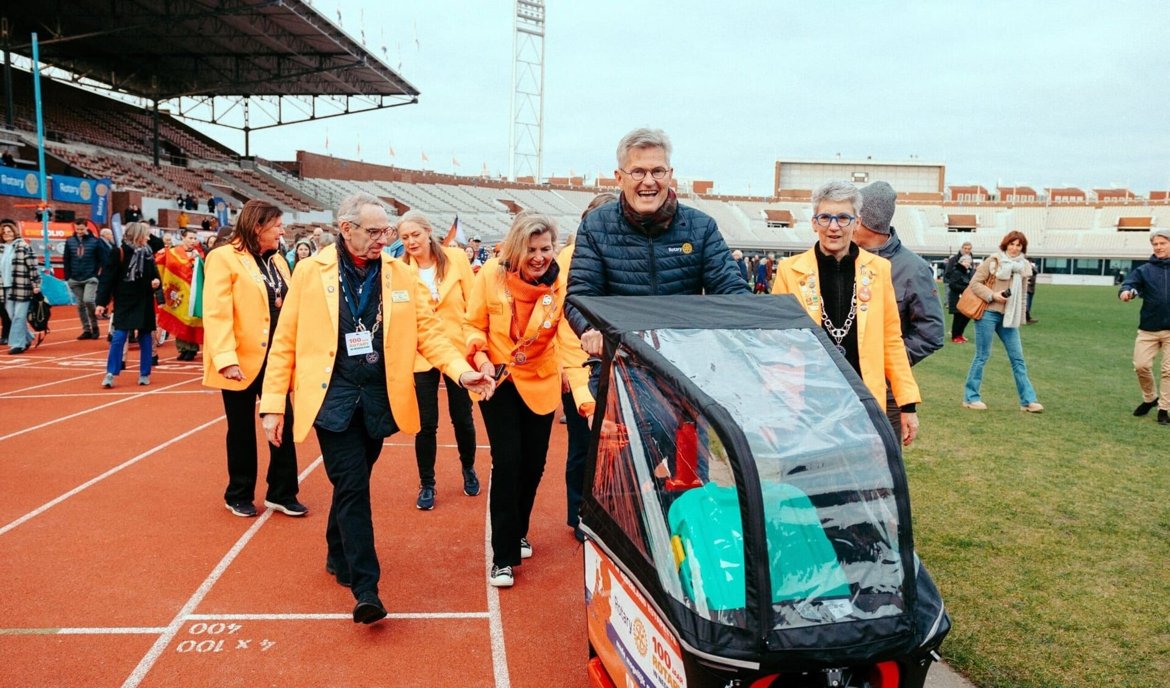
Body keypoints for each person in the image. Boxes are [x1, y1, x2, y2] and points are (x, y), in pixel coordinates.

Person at [258, 192, 493, 624]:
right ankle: (367, 588)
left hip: (379, 400)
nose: (384, 239)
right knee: (353, 485)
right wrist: (272, 405)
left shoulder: (400, 274)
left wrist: (462, 373)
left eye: (386, 231)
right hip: (332, 399)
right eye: (374, 231)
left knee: (353, 481)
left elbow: (431, 334)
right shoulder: (310, 272)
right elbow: (285, 341)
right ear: (346, 229)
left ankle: (337, 550)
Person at [465, 211, 593, 588]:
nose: (539, 257)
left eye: (546, 249)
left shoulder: (561, 284)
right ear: (516, 248)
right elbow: (473, 324)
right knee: (508, 461)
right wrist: (480, 357)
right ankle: (502, 557)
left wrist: (583, 396)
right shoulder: (490, 275)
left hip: (541, 378)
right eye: (531, 249)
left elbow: (568, 341)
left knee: (534, 464)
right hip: (499, 380)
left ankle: (518, 529)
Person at [566, 128, 748, 353]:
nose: (649, 181)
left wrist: (750, 322)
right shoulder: (595, 227)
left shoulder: (701, 227)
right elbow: (582, 294)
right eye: (638, 172)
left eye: (657, 171)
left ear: (669, 175)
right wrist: (590, 329)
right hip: (620, 357)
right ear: (619, 178)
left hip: (687, 359)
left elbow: (730, 288)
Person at [771, 180, 922, 446]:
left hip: (863, 401)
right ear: (814, 222)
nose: (834, 227)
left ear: (857, 222)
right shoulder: (789, 271)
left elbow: (891, 341)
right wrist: (776, 403)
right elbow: (777, 344)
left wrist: (907, 404)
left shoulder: (879, 269)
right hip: (807, 403)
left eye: (843, 218)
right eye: (825, 217)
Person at [202, 200, 305, 520]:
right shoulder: (223, 258)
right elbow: (216, 312)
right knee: (241, 429)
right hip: (240, 360)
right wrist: (225, 358)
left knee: (283, 422)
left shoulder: (279, 261)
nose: (282, 232)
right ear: (258, 226)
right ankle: (239, 492)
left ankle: (282, 492)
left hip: (276, 360)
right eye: (277, 226)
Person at [397, 210, 481, 509]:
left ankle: (468, 468)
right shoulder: (400, 270)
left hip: (457, 353)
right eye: (404, 237)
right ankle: (427, 483)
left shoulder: (456, 259)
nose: (411, 242)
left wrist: (475, 347)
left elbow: (472, 305)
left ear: (428, 231)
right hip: (421, 353)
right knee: (426, 423)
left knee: (462, 418)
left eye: (415, 235)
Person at [853, 181, 944, 436]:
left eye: (851, 215)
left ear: (863, 220)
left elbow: (931, 333)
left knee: (883, 457)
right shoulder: (840, 258)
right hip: (838, 385)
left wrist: (885, 363)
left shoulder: (913, 269)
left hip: (886, 393)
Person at [560, 192, 615, 543]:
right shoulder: (569, 258)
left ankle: (610, 511)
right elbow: (562, 319)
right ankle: (578, 512)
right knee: (582, 446)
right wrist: (569, 372)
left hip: (617, 368)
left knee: (615, 447)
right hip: (580, 365)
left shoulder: (624, 254)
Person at [961, 230, 1043, 413]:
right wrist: (992, 295)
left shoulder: (1024, 267)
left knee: (1018, 358)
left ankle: (1028, 401)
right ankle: (970, 397)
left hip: (1009, 316)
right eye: (1012, 244)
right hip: (988, 313)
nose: (1014, 248)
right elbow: (974, 284)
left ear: (1023, 248)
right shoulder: (994, 261)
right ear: (1006, 244)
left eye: (1019, 245)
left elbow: (1023, 295)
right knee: (982, 356)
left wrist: (1021, 316)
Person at [95, 222, 159, 385]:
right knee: (119, 336)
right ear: (137, 236)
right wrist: (101, 302)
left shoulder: (148, 253)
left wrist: (156, 282)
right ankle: (111, 372)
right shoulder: (119, 252)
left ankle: (144, 373)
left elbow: (154, 274)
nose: (148, 238)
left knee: (145, 337)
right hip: (124, 299)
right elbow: (107, 278)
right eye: (145, 235)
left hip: (144, 299)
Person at [1119, 228, 1170, 425]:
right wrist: (1126, 292)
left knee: (1168, 371)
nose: (1158, 247)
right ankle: (1150, 398)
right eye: (1155, 244)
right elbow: (1130, 285)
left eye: (1162, 243)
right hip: (1148, 328)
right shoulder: (1144, 270)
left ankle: (1164, 409)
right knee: (1141, 366)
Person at [156, 227, 205, 361]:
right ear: (183, 238)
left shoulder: (199, 254)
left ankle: (192, 348)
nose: (193, 241)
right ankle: (182, 348)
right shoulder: (173, 252)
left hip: (193, 292)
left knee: (191, 319)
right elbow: (162, 263)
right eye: (190, 238)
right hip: (177, 292)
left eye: (195, 238)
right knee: (178, 318)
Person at [63, 218, 108, 340]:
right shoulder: (70, 241)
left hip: (90, 277)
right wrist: (68, 276)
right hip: (74, 278)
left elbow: (103, 259)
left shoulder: (96, 242)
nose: (79, 231)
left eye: (82, 229)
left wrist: (98, 275)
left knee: (88, 300)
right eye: (77, 229)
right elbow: (66, 259)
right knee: (80, 305)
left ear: (87, 228)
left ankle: (95, 326)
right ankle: (86, 330)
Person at [1, 221, 41, 354]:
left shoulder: (23, 246)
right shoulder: (1, 249)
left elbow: (33, 266)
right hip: (5, 288)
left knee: (19, 316)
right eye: (4, 232)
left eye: (9, 231)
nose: (6, 234)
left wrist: (36, 284)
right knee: (12, 316)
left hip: (22, 286)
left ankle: (18, 344)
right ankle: (28, 337)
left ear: (14, 232)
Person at [944, 254, 975, 343]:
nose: (967, 264)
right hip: (956, 297)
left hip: (965, 298)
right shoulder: (957, 271)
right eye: (965, 262)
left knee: (965, 317)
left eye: (969, 262)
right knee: (958, 318)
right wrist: (966, 288)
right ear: (961, 262)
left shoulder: (969, 272)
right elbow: (952, 285)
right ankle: (955, 336)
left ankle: (960, 334)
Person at [1025, 259, 1039, 324]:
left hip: (1031, 290)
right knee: (1026, 305)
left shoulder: (1033, 269)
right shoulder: (1025, 269)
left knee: (1029, 305)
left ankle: (1027, 318)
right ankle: (1027, 319)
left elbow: (1035, 272)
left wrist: (1032, 267)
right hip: (1027, 289)